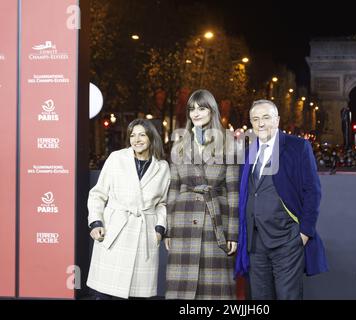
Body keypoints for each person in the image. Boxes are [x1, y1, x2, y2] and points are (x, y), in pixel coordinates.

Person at [235, 99, 328, 300]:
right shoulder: (247, 151)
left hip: (287, 239)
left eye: (266, 118)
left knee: (288, 296)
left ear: (277, 120)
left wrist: (304, 233)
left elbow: (312, 191)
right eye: (255, 119)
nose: (260, 123)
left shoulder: (298, 146)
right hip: (255, 241)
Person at [164, 89, 239, 299]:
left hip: (216, 224)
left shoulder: (229, 143)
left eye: (201, 108)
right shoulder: (179, 146)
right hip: (183, 222)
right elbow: (173, 190)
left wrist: (233, 233)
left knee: (215, 290)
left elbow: (233, 192)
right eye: (192, 109)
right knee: (182, 289)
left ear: (212, 110)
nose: (196, 113)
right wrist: (169, 229)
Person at [86, 119, 170, 299]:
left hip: (144, 235)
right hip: (115, 231)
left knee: (137, 294)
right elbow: (98, 194)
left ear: (151, 138)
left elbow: (163, 203)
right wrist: (95, 222)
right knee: (106, 293)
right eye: (132, 135)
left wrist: (159, 229)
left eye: (141, 134)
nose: (136, 139)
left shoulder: (162, 167)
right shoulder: (117, 158)